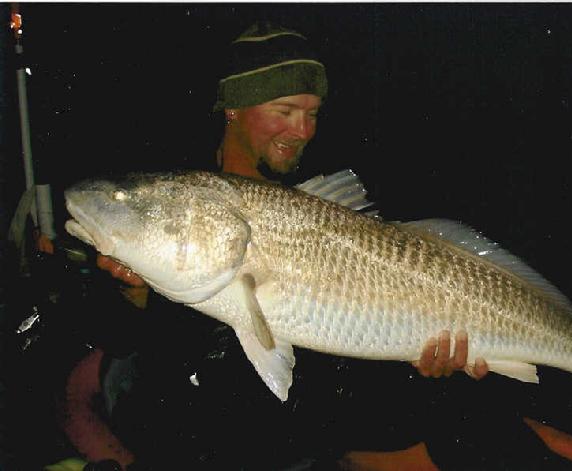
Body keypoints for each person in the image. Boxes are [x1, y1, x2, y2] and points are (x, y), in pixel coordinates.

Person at [89, 22, 490, 471]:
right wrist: (134, 296)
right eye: (284, 110)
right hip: (202, 438)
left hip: (302, 438)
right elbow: (123, 347)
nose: (302, 130)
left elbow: (350, 357)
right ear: (234, 109)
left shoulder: (316, 209)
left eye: (312, 114)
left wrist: (425, 364)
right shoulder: (181, 204)